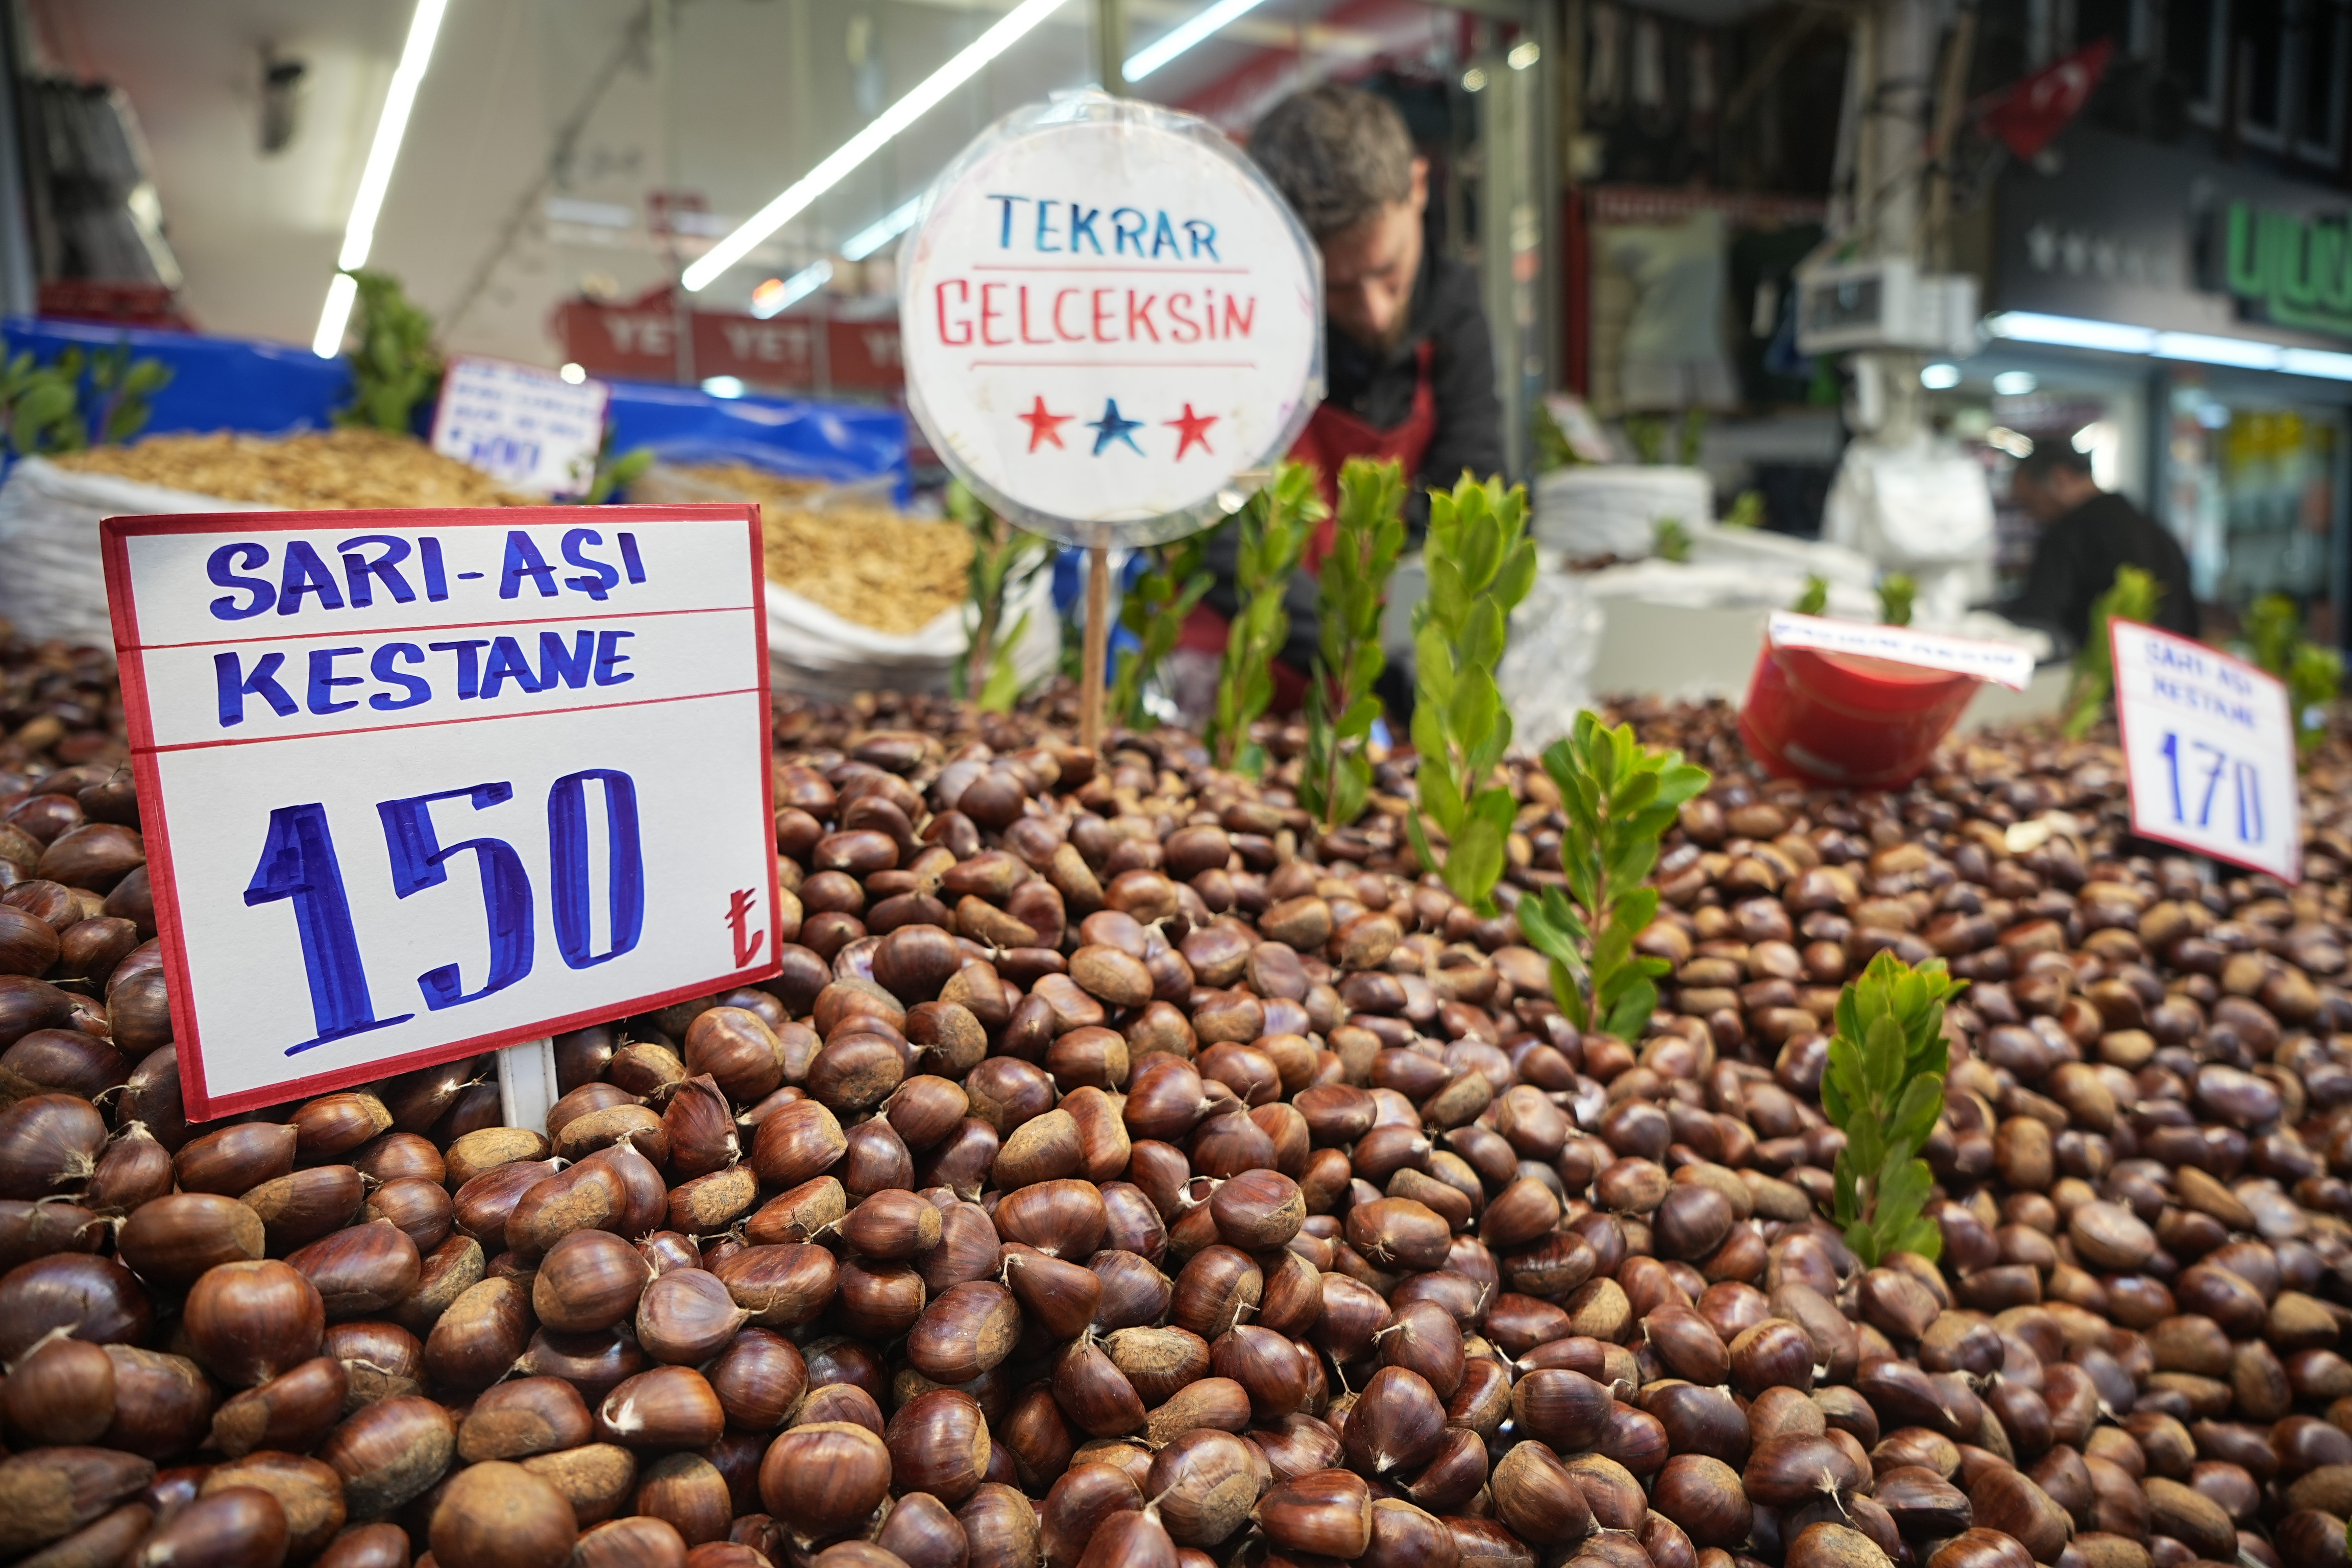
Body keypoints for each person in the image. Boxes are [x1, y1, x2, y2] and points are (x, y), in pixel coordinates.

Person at [1185, 83, 1508, 716]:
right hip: (1244, 676)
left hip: (1390, 660)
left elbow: (1471, 489)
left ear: (1418, 187)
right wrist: (1361, 667)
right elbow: (1220, 539)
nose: (1374, 311)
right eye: (1334, 287)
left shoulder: (1454, 306)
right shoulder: (1225, 324)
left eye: (1389, 272)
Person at [2003, 443, 2199, 649]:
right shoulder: (2152, 528)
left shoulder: (2068, 534)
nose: (2030, 516)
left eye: (2030, 503)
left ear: (2061, 478)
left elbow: (2038, 618)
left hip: (2095, 673)